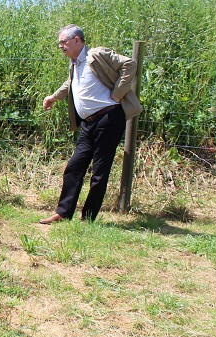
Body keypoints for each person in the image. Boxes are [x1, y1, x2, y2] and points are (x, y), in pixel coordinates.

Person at [39, 24, 142, 224]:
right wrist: (53, 97)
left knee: (99, 171)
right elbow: (71, 85)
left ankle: (88, 218)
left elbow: (130, 64)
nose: (61, 46)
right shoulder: (75, 64)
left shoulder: (95, 55)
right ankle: (63, 213)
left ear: (77, 40)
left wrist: (117, 94)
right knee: (74, 166)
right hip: (88, 124)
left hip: (109, 119)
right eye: (60, 42)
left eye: (64, 42)